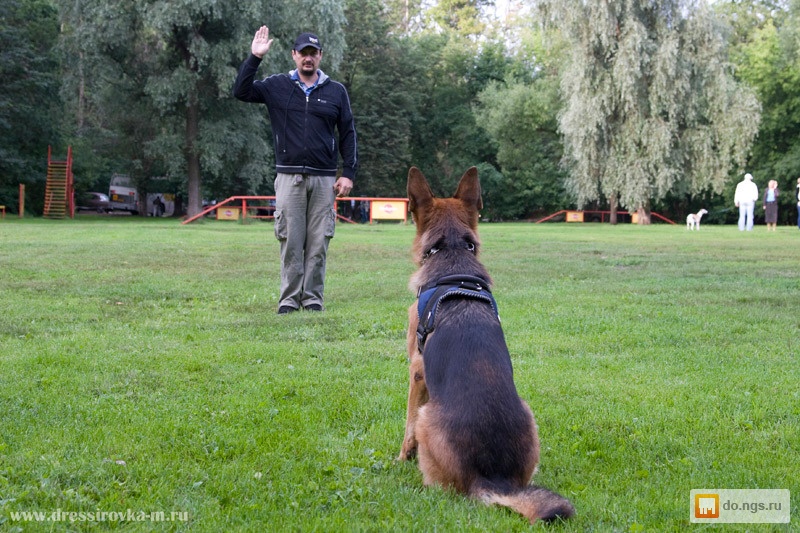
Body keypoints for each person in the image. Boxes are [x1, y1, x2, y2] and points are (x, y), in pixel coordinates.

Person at [233, 26, 358, 314]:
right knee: (290, 241)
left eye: (313, 53)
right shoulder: (277, 86)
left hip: (324, 178)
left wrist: (348, 172)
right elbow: (240, 91)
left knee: (318, 243)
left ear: (320, 56)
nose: (308, 58)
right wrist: (255, 57)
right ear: (294, 55)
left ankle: (312, 299)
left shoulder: (336, 91)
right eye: (303, 53)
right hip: (289, 176)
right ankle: (289, 300)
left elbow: (348, 133)